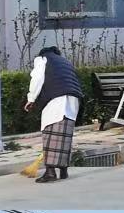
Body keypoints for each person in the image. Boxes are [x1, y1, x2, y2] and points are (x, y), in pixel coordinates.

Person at [25, 45, 84, 184]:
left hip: (57, 98)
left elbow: (37, 78)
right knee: (65, 134)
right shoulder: (64, 61)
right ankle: (63, 170)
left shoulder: (43, 58)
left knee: (50, 133)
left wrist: (31, 98)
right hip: (74, 98)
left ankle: (50, 172)